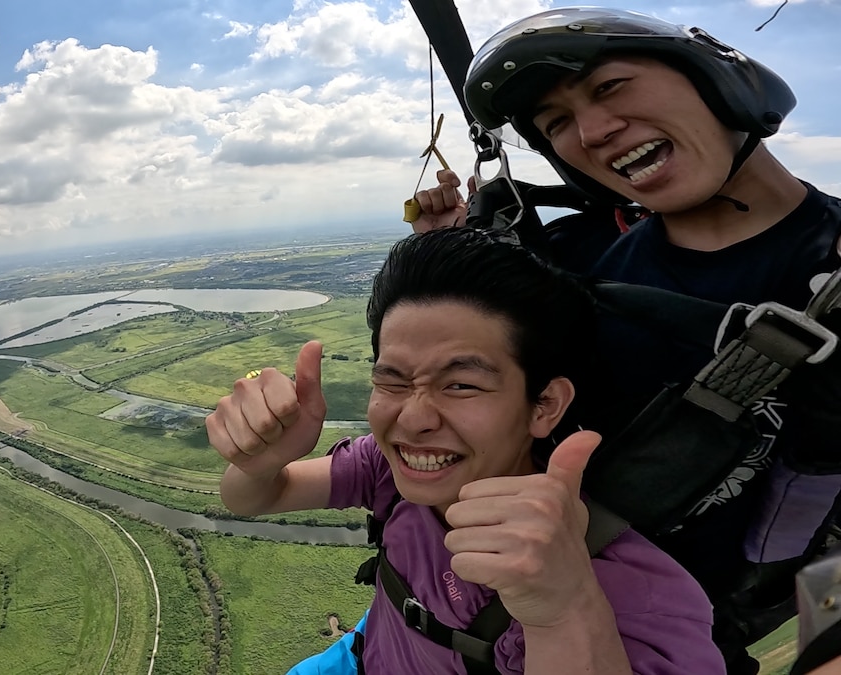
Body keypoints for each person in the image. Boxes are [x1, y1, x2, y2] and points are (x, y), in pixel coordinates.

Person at [407, 7, 841, 673]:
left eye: (610, 86)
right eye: (556, 124)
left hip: (678, 638)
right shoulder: (570, 257)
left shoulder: (830, 280)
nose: (592, 130)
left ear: (720, 81)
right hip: (485, 603)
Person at [207, 228, 726, 674]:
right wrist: (262, 461)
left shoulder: (642, 597)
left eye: (460, 386)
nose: (413, 420)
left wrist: (562, 609)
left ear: (544, 404)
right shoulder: (388, 471)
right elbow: (252, 500)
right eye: (393, 381)